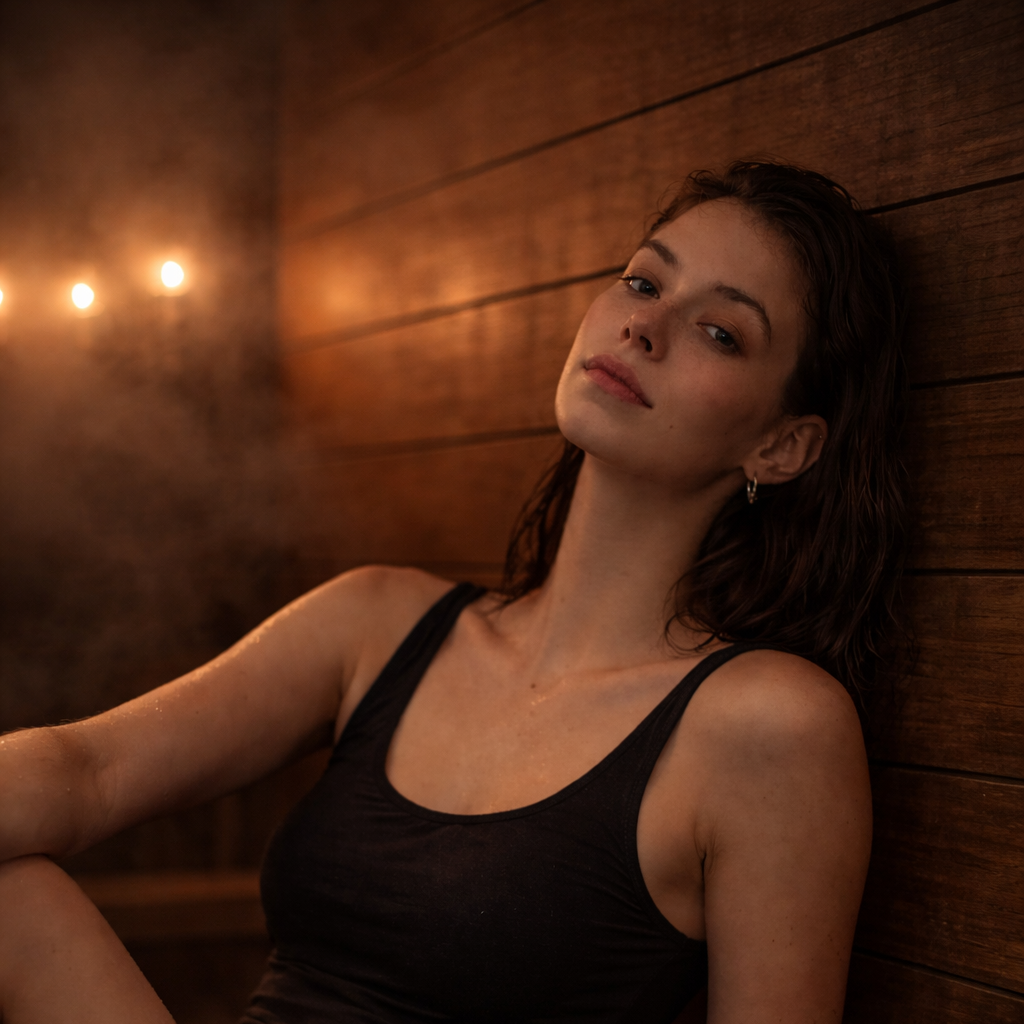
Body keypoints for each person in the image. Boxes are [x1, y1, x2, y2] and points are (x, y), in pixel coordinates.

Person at [0, 161, 909, 1024]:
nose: (644, 327)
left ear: (781, 447)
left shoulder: (770, 726)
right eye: (642, 283)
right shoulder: (377, 623)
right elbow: (90, 772)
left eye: (721, 331)